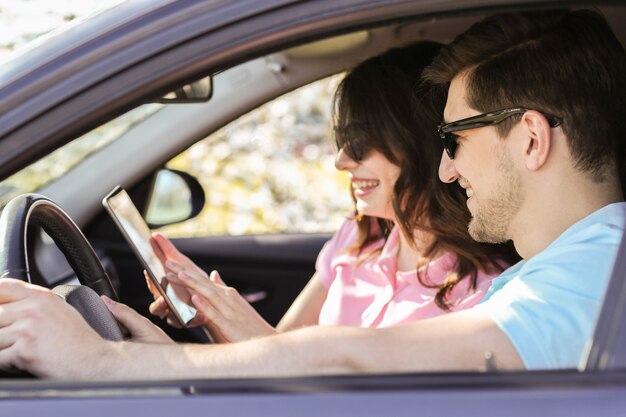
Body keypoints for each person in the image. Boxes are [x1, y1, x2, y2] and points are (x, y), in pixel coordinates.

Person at [0, 8, 624, 379]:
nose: (445, 171)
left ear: (532, 139)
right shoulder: (573, 273)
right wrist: (161, 361)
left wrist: (106, 364)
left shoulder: (594, 275)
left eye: (455, 138)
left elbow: (360, 362)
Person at [147, 41, 516, 343]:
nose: (341, 161)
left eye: (359, 142)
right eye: (342, 140)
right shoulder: (357, 239)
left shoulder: (483, 294)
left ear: (416, 142)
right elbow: (271, 354)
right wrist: (208, 311)